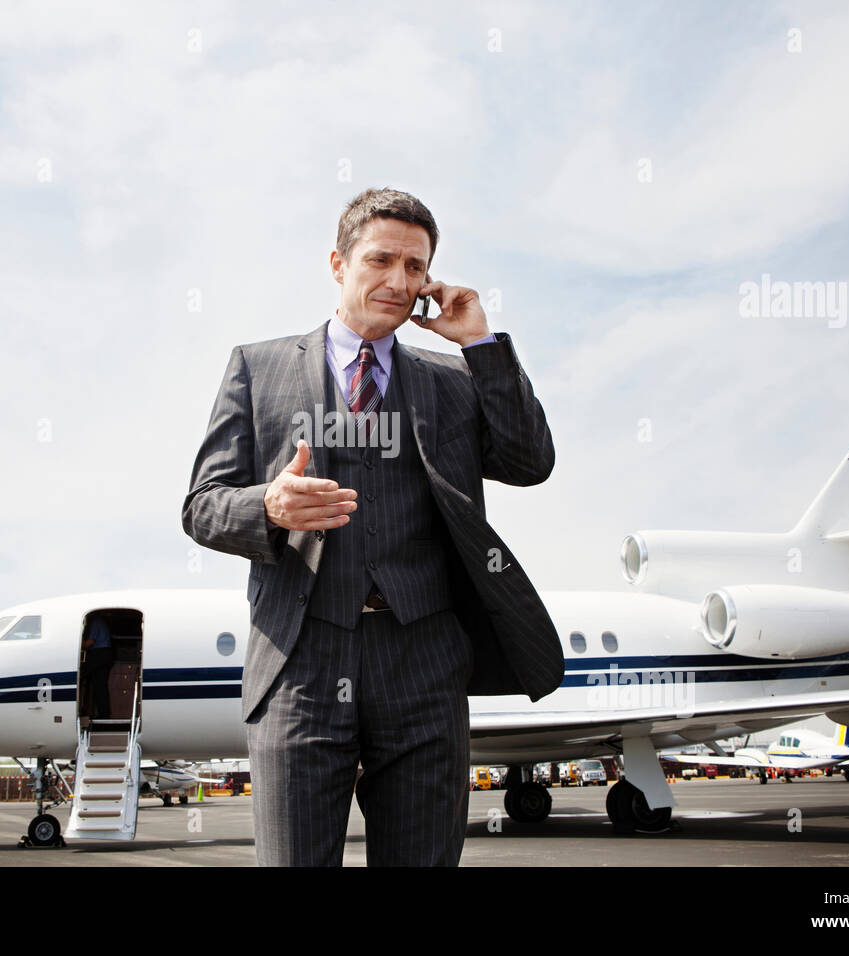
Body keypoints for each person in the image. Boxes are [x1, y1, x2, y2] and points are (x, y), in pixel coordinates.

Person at [181, 187, 563, 866]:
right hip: (302, 658)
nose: (399, 281)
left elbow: (529, 461)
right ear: (337, 262)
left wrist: (482, 344)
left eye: (415, 269)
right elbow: (202, 505)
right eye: (381, 259)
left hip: (424, 659)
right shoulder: (256, 367)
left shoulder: (454, 380)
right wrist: (267, 506)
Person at [82, 615, 114, 720]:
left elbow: (90, 642)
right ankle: (103, 714)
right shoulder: (100, 621)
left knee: (80, 677)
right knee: (100, 686)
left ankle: (84, 710)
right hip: (105, 655)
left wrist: (79, 644)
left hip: (99, 654)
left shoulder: (95, 622)